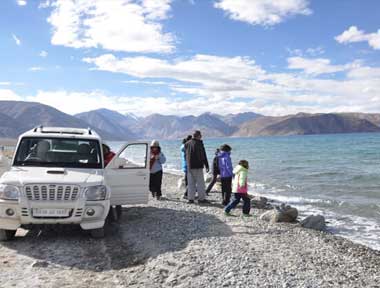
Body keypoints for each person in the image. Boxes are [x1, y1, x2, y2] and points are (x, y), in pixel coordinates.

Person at [184, 130, 209, 204]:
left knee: (191, 183)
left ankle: (190, 199)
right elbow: (203, 155)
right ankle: (201, 199)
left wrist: (187, 164)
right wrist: (206, 165)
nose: (201, 136)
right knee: (200, 183)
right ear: (198, 136)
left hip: (189, 166)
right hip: (198, 166)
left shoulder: (187, 143)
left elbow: (185, 155)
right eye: (200, 135)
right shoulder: (199, 143)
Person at [181, 135, 192, 199]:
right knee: (189, 180)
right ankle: (186, 194)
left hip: (185, 165)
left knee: (187, 180)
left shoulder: (183, 147)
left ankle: (187, 193)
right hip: (188, 165)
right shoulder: (186, 147)